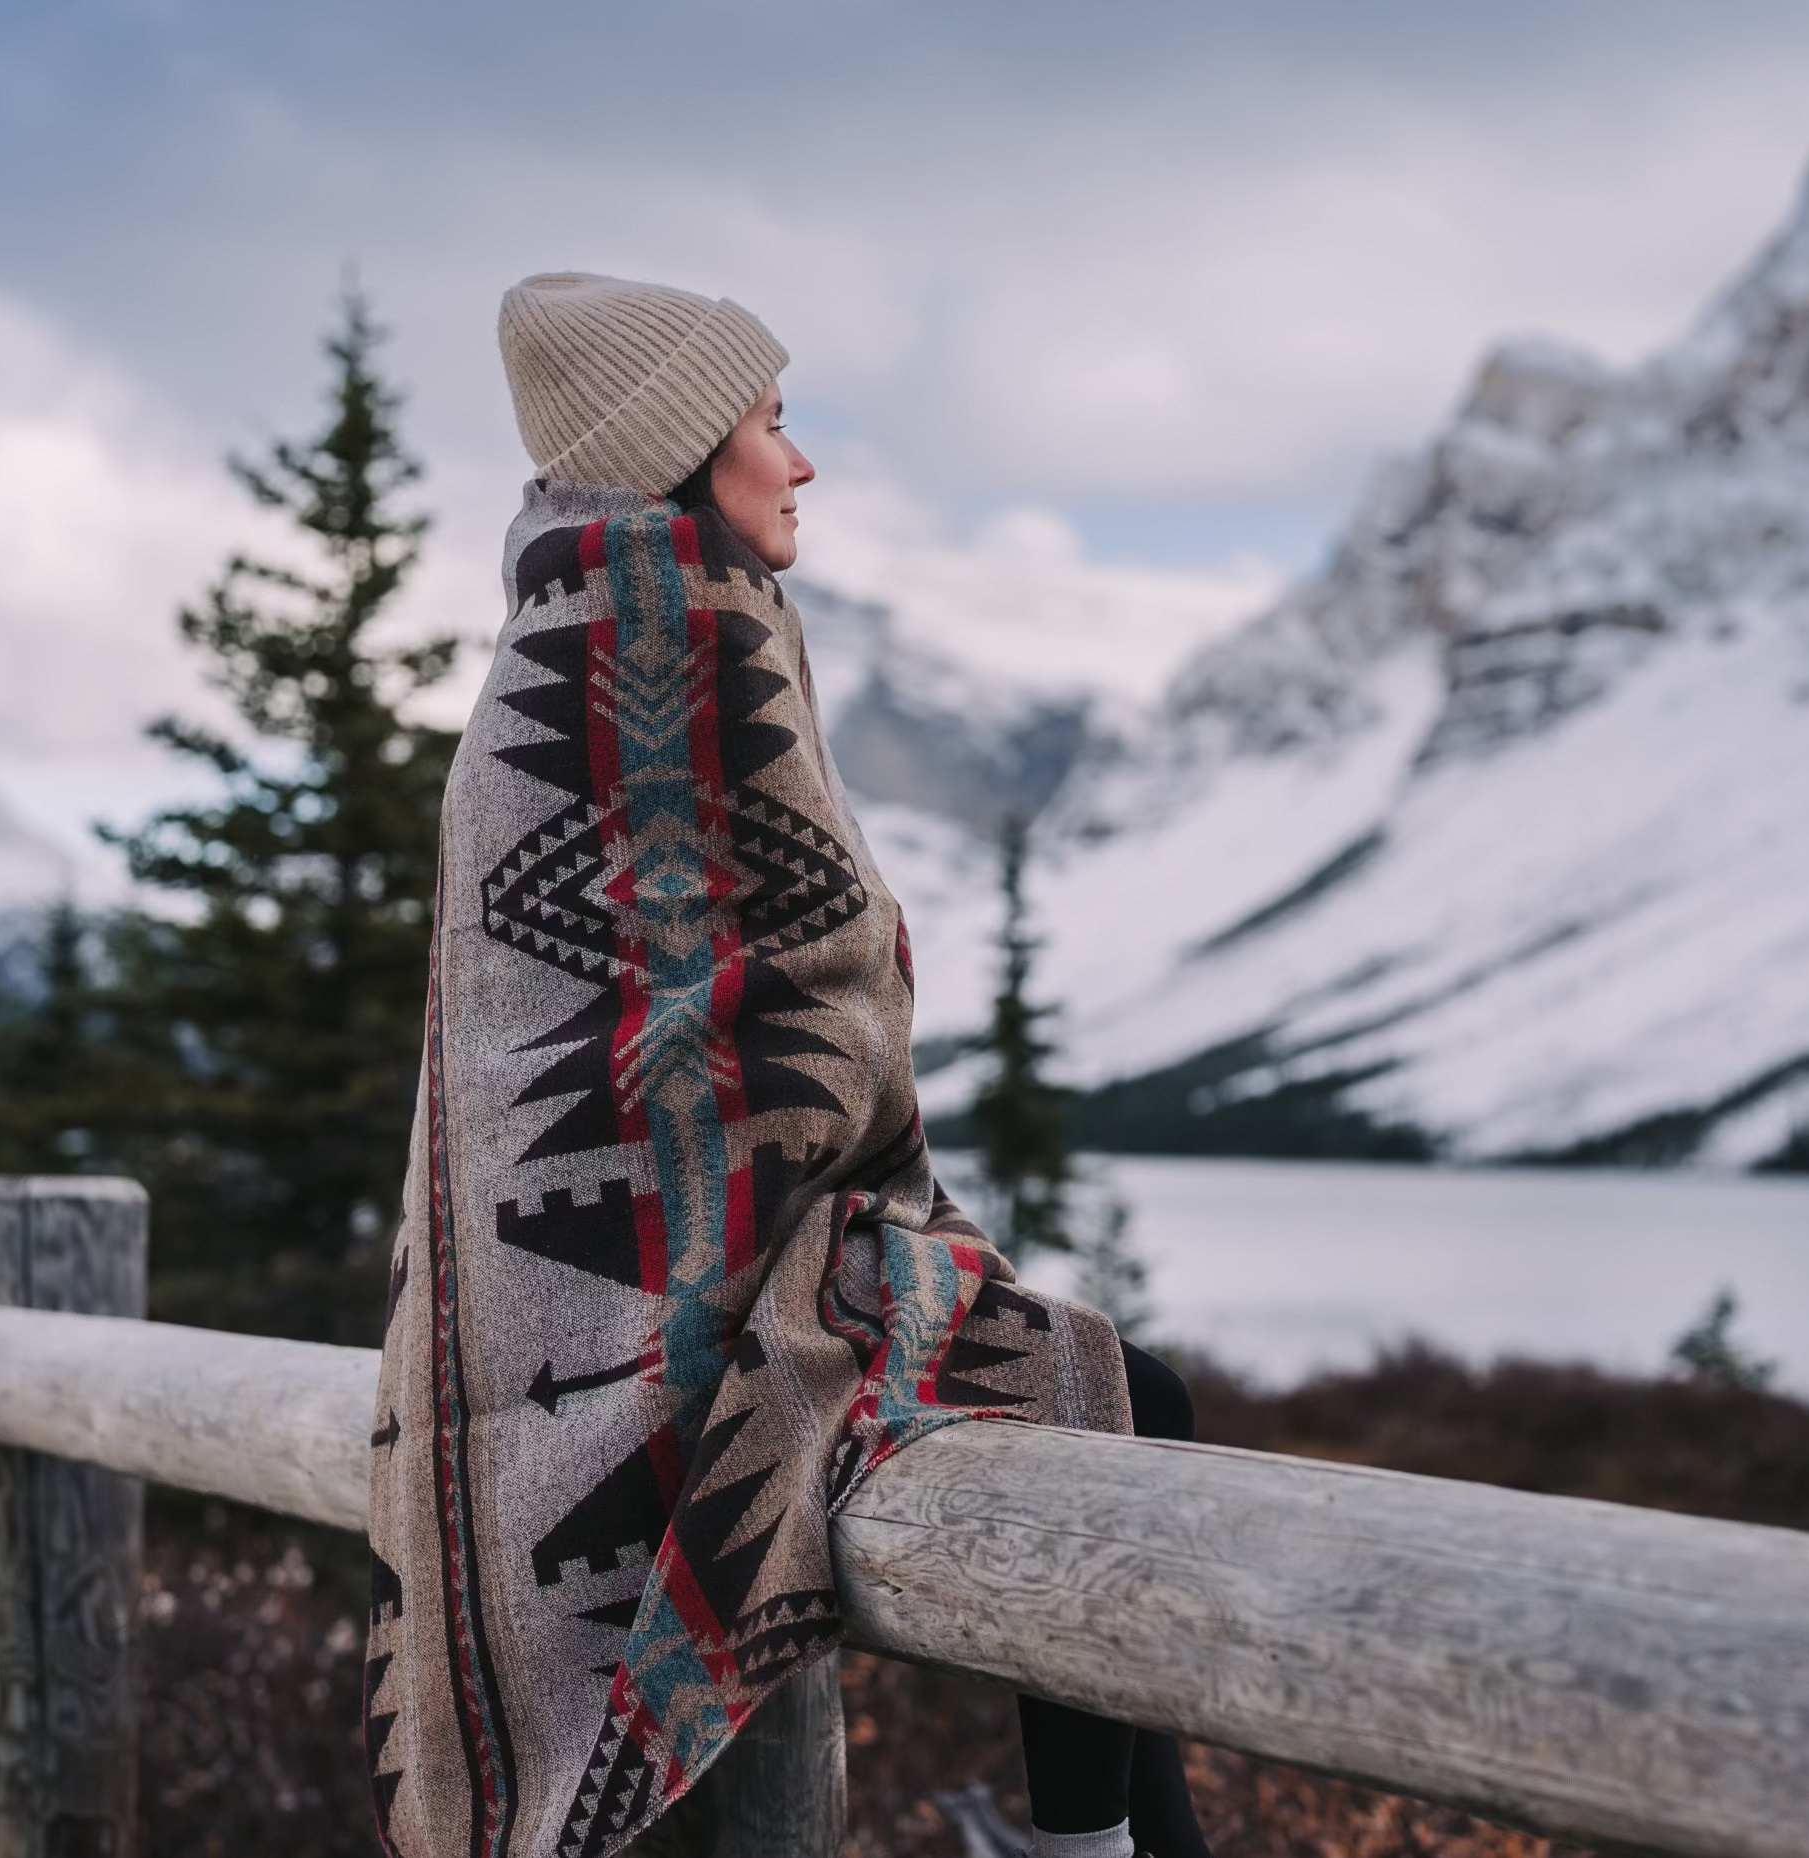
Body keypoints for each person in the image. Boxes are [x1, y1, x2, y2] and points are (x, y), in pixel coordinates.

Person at [362, 271, 1214, 1858]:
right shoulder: (676, 635)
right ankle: (1091, 1850)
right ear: (689, 447)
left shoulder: (561, 631)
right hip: (696, 1314)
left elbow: (653, 1013)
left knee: (1122, 1398)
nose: (801, 460)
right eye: (773, 420)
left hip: (579, 1295)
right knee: (1115, 1392)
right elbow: (798, 988)